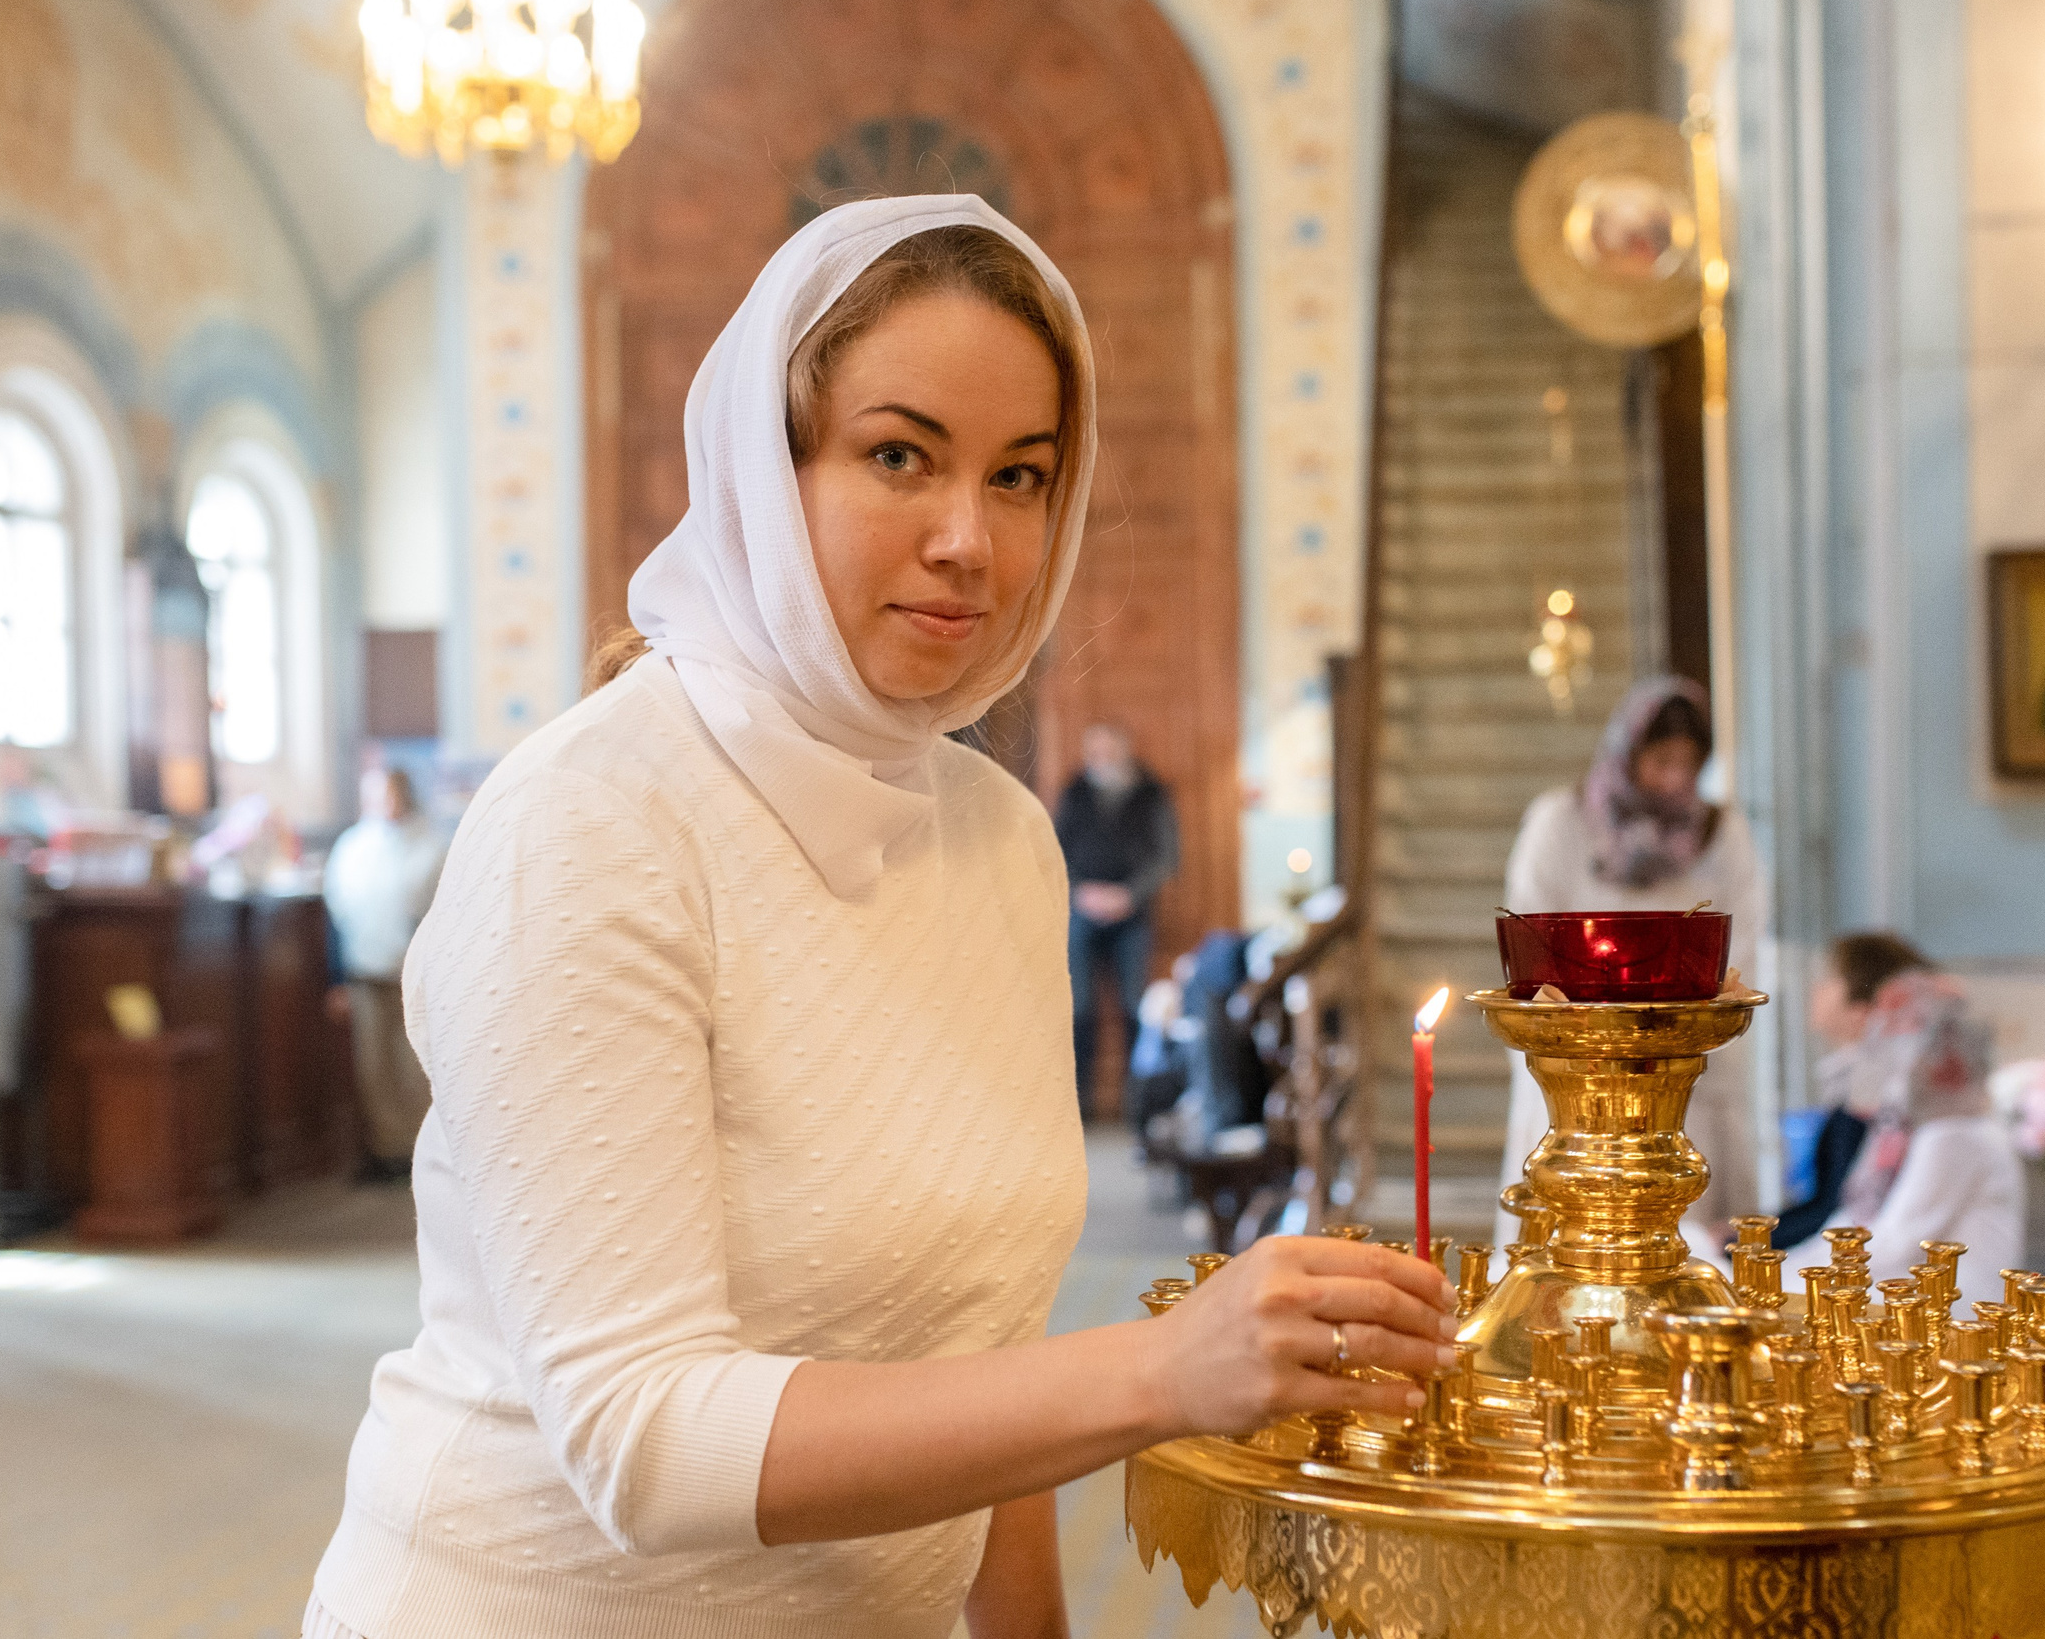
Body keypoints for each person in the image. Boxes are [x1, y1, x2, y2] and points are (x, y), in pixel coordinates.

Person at [305, 198, 1450, 1639]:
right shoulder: (590, 822)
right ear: (762, 476)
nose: (971, 539)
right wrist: (1161, 1370)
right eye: (899, 454)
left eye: (1022, 475)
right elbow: (642, 1437)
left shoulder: (1003, 839)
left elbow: (980, 1342)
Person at [1493, 676, 1768, 1252]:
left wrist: (1664, 1020)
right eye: (1661, 760)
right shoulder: (1561, 823)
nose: (1674, 779)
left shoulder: (1722, 834)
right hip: (1577, 1060)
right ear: (1627, 753)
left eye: (1688, 764)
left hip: (1682, 1057)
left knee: (1686, 1244)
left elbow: (1737, 945)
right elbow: (1531, 941)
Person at [1774, 960, 2023, 1308]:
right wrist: (1779, 1268)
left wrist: (1779, 1275)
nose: (1881, 1042)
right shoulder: (1906, 1128)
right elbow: (1852, 1220)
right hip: (1903, 1286)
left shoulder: (1956, 1134)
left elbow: (1896, 1243)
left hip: (1954, 1311)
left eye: (1901, 1030)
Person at [321, 765, 449, 1183]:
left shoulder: (432, 847)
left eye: (389, 794)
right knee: (373, 1069)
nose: (382, 803)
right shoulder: (353, 847)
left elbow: (440, 915)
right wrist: (335, 979)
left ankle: (420, 1155)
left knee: (414, 1070)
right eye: (374, 795)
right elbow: (336, 916)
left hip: (411, 974)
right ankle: (385, 1150)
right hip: (364, 970)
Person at [1775, 931, 1935, 1248]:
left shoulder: (1883, 1093)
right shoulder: (1855, 1079)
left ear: (1863, 1007)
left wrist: (1743, 1241)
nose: (1816, 989)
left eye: (1829, 979)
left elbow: (1840, 1205)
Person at [1055, 721, 1177, 1115]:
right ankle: (1079, 1108)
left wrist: (1129, 895)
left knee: (1133, 1008)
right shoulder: (1074, 792)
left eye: (1108, 749)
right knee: (1080, 1009)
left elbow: (1166, 857)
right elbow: (1055, 849)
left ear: (1124, 750)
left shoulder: (1152, 793)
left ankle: (1137, 1107)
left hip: (1133, 915)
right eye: (1095, 750)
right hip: (1081, 912)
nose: (1100, 757)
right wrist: (1081, 892)